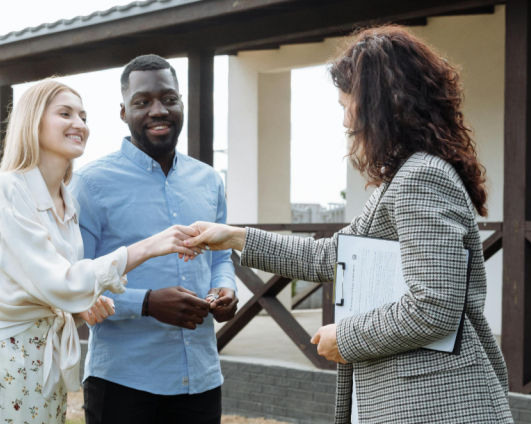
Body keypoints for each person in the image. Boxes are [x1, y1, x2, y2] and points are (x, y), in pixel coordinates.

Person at [185, 26, 513, 424]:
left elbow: (433, 306)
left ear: (381, 105)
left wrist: (346, 336)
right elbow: (331, 256)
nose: (344, 122)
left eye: (346, 105)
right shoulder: (407, 176)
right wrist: (234, 236)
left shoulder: (420, 178)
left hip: (433, 402)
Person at [0, 79, 203, 424]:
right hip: (5, 355)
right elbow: (61, 281)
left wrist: (85, 299)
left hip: (47, 359)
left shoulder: (67, 200)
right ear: (33, 121)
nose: (79, 124)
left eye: (83, 116)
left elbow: (62, 281)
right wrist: (149, 247)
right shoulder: (6, 189)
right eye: (65, 113)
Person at [71, 55, 238, 424]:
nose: (158, 110)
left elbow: (221, 258)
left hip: (201, 380)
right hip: (122, 383)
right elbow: (77, 282)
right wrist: (146, 303)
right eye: (143, 102)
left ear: (181, 103)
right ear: (122, 112)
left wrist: (224, 288)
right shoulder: (90, 185)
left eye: (168, 99)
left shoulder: (209, 180)